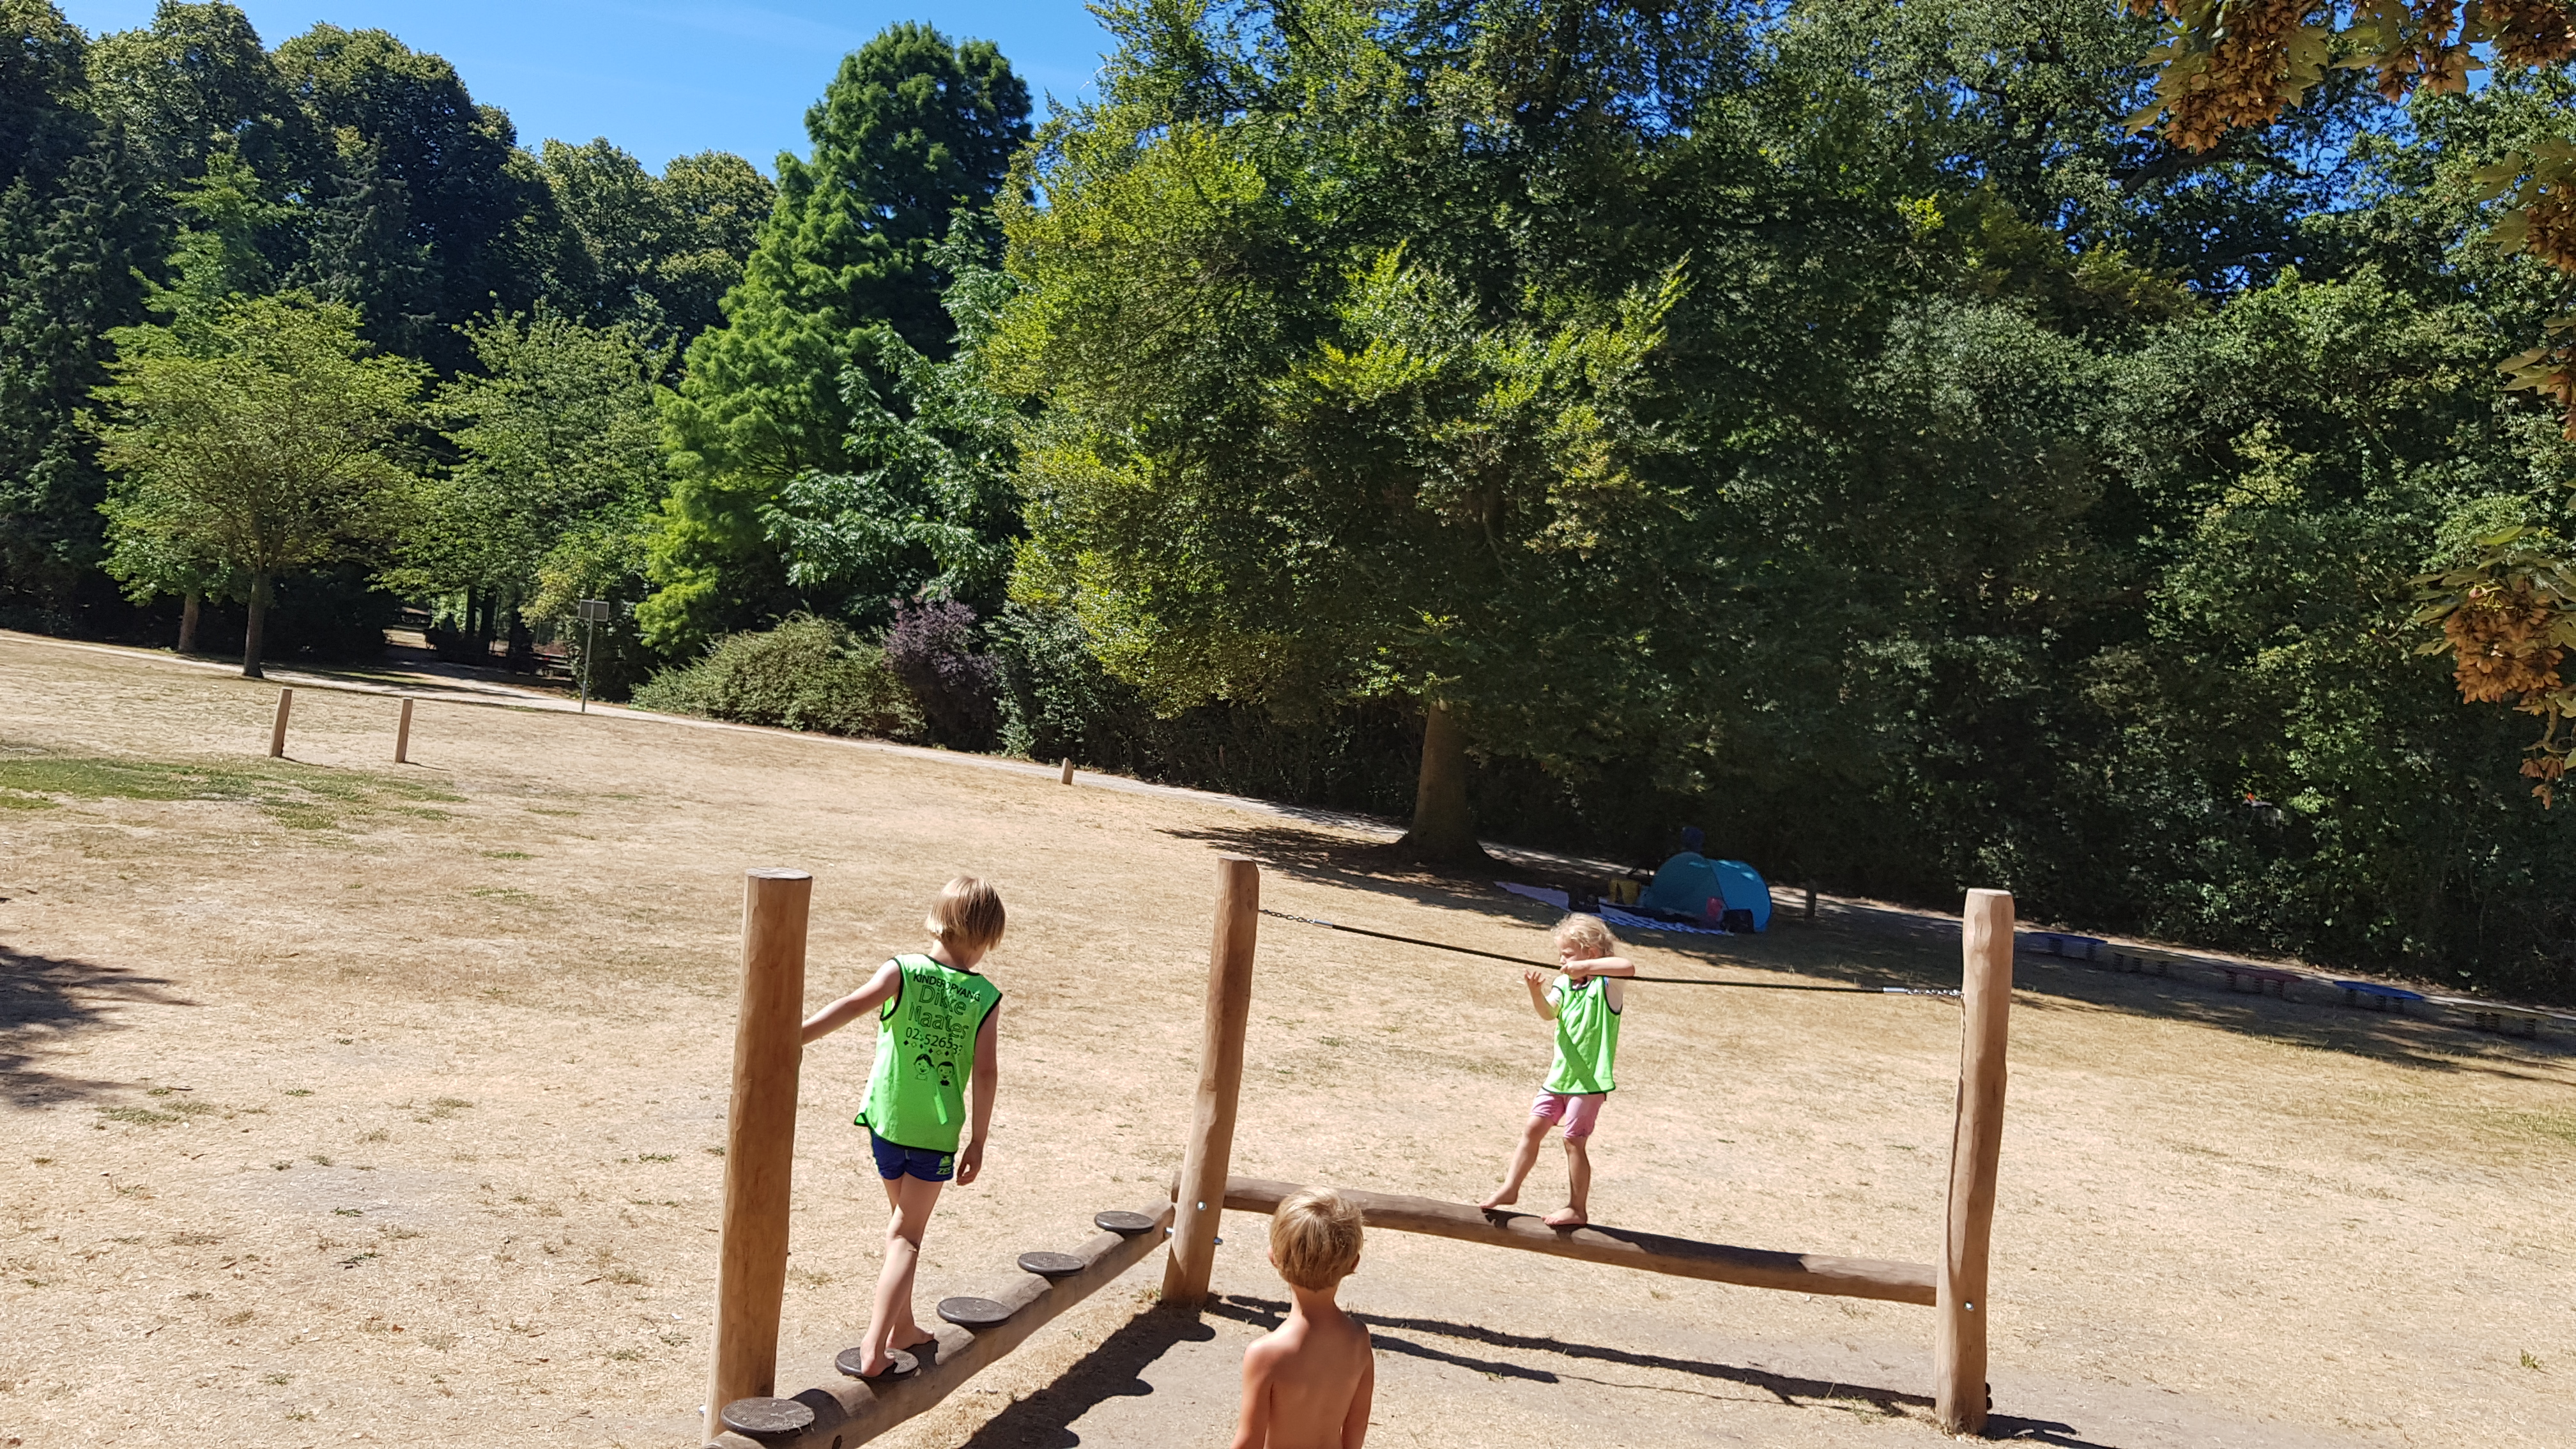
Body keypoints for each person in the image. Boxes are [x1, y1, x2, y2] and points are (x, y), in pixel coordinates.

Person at [800, 876, 1006, 1377]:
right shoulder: (983, 995)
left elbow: (852, 1004)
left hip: (886, 1124)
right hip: (933, 1135)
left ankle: (904, 1327)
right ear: (985, 937)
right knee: (907, 1237)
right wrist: (978, 1140)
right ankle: (874, 1348)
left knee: (899, 1224)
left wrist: (792, 1037)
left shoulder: (902, 970)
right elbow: (985, 1072)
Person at [1476, 914, 1636, 1227]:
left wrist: (1586, 967)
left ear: (1591, 952)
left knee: (1573, 1140)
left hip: (1589, 1082)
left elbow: (1627, 967)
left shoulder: (1608, 985)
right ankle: (1510, 1188)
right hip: (1559, 1078)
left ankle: (1577, 1208)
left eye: (1567, 954)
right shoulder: (1564, 983)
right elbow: (1549, 1013)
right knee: (1533, 1129)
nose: (1561, 961)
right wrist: (1536, 992)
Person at [1230, 1187, 1374, 1449]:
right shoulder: (1358, 1338)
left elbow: (1249, 1441)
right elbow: (1357, 1424)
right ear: (1354, 1263)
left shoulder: (1266, 1354)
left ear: (1274, 1258)